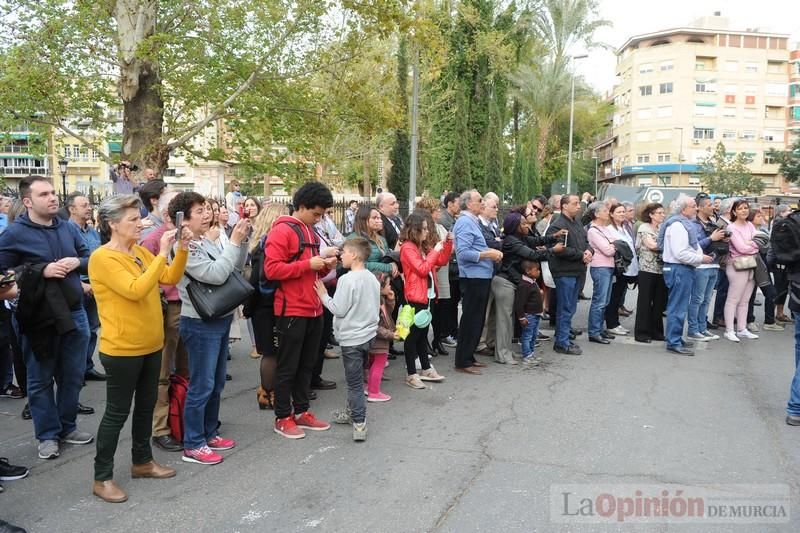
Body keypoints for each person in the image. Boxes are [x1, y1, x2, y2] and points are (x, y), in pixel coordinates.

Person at [87, 194, 189, 503]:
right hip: (121, 349)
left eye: (138, 217)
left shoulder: (140, 253)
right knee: (117, 413)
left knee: (145, 408)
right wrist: (162, 251)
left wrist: (180, 249)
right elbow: (135, 290)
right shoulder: (102, 258)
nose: (139, 223)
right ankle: (101, 477)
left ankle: (142, 462)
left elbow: (169, 277)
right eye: (132, 219)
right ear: (112, 224)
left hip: (151, 343)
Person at [0, 176, 93, 460]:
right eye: (44, 194)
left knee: (73, 375)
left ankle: (68, 427)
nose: (53, 198)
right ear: (27, 201)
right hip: (37, 316)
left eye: (53, 192)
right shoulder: (14, 234)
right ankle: (47, 435)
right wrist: (41, 271)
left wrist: (78, 262)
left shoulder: (67, 228)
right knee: (40, 380)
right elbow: (4, 274)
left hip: (74, 312)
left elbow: (92, 257)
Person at [174, 192, 250, 464]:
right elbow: (216, 274)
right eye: (199, 211)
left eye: (207, 209)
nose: (207, 214)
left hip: (219, 317)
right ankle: (193, 443)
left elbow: (233, 268)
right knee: (201, 383)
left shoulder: (206, 240)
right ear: (183, 219)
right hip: (199, 321)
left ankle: (209, 431)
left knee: (216, 382)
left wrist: (240, 242)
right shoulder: (183, 247)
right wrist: (233, 242)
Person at [266, 182, 338, 440]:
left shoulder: (309, 230)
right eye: (316, 213)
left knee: (307, 365)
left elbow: (311, 269)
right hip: (291, 309)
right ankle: (282, 416)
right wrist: (309, 264)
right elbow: (272, 270)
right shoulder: (282, 231)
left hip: (313, 308)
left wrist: (324, 266)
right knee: (288, 367)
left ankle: (302, 411)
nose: (319, 219)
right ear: (302, 206)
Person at [315, 237, 379, 441]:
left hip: (352, 338)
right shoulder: (372, 278)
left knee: (354, 384)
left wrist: (324, 295)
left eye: (344, 252)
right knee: (357, 377)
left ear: (354, 255)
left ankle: (359, 422)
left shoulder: (347, 280)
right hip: (368, 335)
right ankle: (352, 413)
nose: (341, 255)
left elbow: (339, 309)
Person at [139, 191, 189, 452]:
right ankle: (160, 428)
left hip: (190, 307)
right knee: (162, 372)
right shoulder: (153, 239)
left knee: (185, 369)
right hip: (169, 307)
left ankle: (183, 418)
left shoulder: (191, 238)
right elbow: (150, 279)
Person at [495, 212, 562, 362]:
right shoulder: (512, 241)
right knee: (504, 321)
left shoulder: (521, 238)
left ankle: (506, 352)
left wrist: (554, 236)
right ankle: (503, 355)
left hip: (512, 281)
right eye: (523, 224)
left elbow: (536, 240)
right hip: (505, 282)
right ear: (516, 227)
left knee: (508, 320)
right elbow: (532, 254)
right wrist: (552, 250)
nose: (527, 226)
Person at [399, 212, 452, 388]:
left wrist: (448, 243)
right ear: (414, 230)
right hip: (415, 297)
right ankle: (411, 373)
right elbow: (422, 269)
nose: (427, 232)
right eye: (424, 229)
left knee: (422, 335)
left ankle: (426, 368)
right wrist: (435, 251)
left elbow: (442, 261)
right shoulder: (408, 248)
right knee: (412, 336)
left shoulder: (420, 247)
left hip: (427, 295)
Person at [453, 190, 503, 375]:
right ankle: (463, 360)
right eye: (479, 200)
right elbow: (464, 254)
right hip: (473, 277)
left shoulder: (471, 221)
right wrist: (489, 253)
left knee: (476, 320)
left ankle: (469, 357)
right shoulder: (465, 222)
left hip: (480, 276)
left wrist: (489, 253)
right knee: (470, 320)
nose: (483, 203)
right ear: (468, 204)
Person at [244, 203, 287, 410]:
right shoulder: (265, 248)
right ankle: (267, 393)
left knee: (274, 352)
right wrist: (249, 308)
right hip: (266, 306)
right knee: (271, 352)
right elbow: (258, 282)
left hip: (266, 306)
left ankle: (270, 390)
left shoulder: (261, 245)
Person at [659, 195, 713, 355]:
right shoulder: (678, 226)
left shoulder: (681, 224)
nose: (696, 208)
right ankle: (674, 342)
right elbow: (680, 253)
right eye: (692, 206)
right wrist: (700, 258)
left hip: (681, 269)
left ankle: (675, 338)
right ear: (683, 209)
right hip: (679, 269)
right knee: (677, 308)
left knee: (678, 306)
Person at [66, 192, 106, 384]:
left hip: (95, 284)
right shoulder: (66, 231)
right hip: (77, 286)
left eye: (89, 204)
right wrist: (81, 284)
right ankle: (75, 371)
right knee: (78, 333)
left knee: (92, 329)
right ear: (72, 209)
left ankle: (86, 367)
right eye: (84, 205)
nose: (89, 208)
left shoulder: (92, 231)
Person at [545, 195, 592, 356]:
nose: (579, 206)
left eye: (579, 203)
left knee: (570, 307)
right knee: (565, 308)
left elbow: (586, 241)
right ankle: (562, 343)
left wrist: (588, 251)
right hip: (564, 272)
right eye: (575, 203)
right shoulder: (557, 225)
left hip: (577, 270)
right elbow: (560, 249)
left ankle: (562, 336)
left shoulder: (576, 222)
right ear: (564, 206)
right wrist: (581, 255)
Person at [415, 197, 452, 356]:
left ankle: (437, 340)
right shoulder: (422, 230)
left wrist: (449, 245)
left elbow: (443, 254)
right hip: (429, 273)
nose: (439, 212)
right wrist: (434, 260)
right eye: (436, 210)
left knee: (440, 309)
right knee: (426, 311)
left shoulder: (439, 227)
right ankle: (422, 346)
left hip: (440, 273)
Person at [687, 196, 726, 342]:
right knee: (697, 299)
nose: (713, 207)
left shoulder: (713, 222)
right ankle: (693, 329)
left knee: (707, 299)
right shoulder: (693, 224)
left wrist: (723, 239)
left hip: (714, 263)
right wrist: (711, 238)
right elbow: (694, 246)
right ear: (700, 207)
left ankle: (702, 328)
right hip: (700, 265)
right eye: (710, 205)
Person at [723, 200, 760, 342]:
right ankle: (729, 330)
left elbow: (760, 242)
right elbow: (741, 248)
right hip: (737, 265)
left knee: (745, 300)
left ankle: (742, 328)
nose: (744, 211)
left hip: (751, 264)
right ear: (734, 211)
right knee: (733, 299)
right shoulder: (731, 227)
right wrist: (752, 245)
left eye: (746, 208)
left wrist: (751, 245)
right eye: (740, 208)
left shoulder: (750, 225)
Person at [634, 203, 668, 343]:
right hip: (647, 269)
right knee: (645, 301)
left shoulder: (662, 228)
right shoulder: (644, 228)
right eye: (659, 213)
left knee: (660, 302)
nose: (662, 215)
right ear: (651, 215)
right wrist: (669, 245)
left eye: (663, 212)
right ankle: (642, 333)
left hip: (661, 269)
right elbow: (652, 245)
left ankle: (657, 332)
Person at [603, 204, 638, 336]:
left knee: (619, 296)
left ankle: (615, 323)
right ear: (611, 214)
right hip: (618, 268)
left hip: (628, 267)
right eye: (619, 212)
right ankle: (612, 324)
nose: (622, 214)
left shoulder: (625, 228)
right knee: (614, 296)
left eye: (623, 211)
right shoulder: (609, 229)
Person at [586, 202, 617, 344]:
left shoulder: (605, 228)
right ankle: (594, 332)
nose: (607, 212)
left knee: (605, 300)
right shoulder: (593, 230)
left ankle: (599, 328)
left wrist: (613, 245)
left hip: (608, 266)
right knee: (599, 301)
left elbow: (617, 242)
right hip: (600, 267)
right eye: (604, 210)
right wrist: (614, 245)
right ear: (596, 214)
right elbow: (608, 250)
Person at [366, 274, 395, 402]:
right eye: (388, 284)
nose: (390, 286)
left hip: (375, 340)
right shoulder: (374, 302)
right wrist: (391, 335)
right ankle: (374, 392)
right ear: (379, 286)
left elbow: (387, 313)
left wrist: (390, 300)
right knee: (379, 365)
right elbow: (376, 326)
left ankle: (369, 387)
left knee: (372, 364)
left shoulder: (380, 299)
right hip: (379, 341)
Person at [438, 192, 461, 347]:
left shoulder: (453, 218)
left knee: (452, 302)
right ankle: (446, 332)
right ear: (450, 204)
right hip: (449, 266)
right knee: (448, 302)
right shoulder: (444, 220)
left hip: (453, 265)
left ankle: (452, 330)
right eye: (458, 202)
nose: (460, 205)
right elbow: (450, 239)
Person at [347, 206, 396, 277]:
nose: (379, 220)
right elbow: (360, 264)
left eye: (379, 218)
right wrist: (388, 267)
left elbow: (387, 256)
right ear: (364, 220)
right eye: (375, 218)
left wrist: (393, 263)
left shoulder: (381, 239)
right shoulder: (354, 239)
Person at [515, 260, 544, 365]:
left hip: (536, 314)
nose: (539, 272)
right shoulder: (524, 285)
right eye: (536, 270)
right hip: (529, 315)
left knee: (533, 335)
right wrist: (522, 317)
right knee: (527, 335)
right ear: (528, 271)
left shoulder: (532, 282)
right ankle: (527, 355)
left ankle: (531, 353)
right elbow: (519, 303)